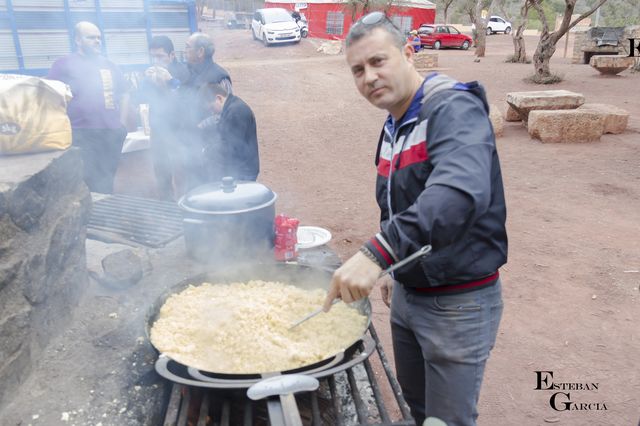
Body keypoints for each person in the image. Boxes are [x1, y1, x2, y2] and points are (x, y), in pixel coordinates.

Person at [323, 12, 507, 426]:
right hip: (408, 293)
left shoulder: (453, 108)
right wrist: (391, 267)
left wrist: (377, 253)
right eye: (357, 70)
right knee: (415, 410)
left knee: (447, 420)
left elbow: (457, 195)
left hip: (457, 302)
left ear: (409, 53)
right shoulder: (394, 123)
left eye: (378, 61)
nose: (368, 77)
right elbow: (397, 202)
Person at [48, 21, 130, 194]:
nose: (97, 41)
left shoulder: (109, 64)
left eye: (99, 37)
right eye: (91, 37)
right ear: (78, 40)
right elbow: (51, 95)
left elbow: (124, 93)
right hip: (81, 132)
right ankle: (91, 215)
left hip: (111, 132)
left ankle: (106, 213)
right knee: (88, 180)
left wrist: (121, 124)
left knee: (107, 177)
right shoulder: (63, 64)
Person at [177, 32, 233, 192]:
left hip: (211, 145)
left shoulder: (219, 77)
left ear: (200, 52)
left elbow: (227, 112)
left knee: (211, 187)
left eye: (188, 47)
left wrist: (201, 126)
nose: (185, 51)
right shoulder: (187, 74)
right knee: (193, 187)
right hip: (190, 143)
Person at [136, 35, 190, 200]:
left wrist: (169, 82)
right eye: (153, 56)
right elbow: (141, 99)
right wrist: (146, 82)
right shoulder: (150, 75)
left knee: (181, 170)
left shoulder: (183, 71)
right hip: (159, 129)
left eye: (160, 56)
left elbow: (185, 101)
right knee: (161, 170)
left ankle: (185, 202)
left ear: (172, 55)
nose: (156, 61)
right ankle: (166, 205)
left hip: (180, 130)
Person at [199, 82, 259, 181]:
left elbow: (231, 146)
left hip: (243, 172)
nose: (212, 112)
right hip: (238, 168)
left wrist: (206, 151)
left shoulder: (236, 111)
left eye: (212, 108)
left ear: (219, 98)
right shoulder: (230, 108)